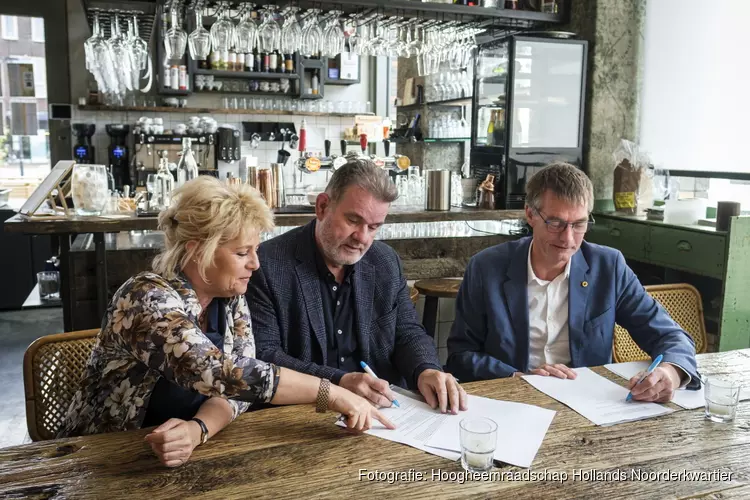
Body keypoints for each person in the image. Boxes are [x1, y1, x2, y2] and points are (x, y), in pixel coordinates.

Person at [59, 176, 394, 467]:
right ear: (196, 250)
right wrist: (330, 392)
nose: (255, 265)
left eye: (255, 250)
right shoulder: (146, 298)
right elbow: (222, 373)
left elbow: (239, 390)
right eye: (241, 253)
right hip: (99, 456)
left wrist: (198, 429)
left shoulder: (230, 299)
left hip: (180, 456)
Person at [447, 162, 699, 402]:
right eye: (555, 223)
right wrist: (518, 377)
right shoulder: (486, 267)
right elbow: (461, 355)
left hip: (588, 403)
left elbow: (670, 335)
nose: (568, 238)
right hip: (512, 397)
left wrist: (670, 374)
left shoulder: (608, 267)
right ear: (530, 214)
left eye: (579, 224)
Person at [247, 160, 467, 414]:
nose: (363, 238)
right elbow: (266, 356)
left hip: (384, 411)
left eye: (374, 227)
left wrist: (426, 369)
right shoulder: (268, 264)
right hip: (301, 413)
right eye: (353, 220)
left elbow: (407, 332)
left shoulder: (384, 261)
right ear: (322, 207)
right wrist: (339, 382)